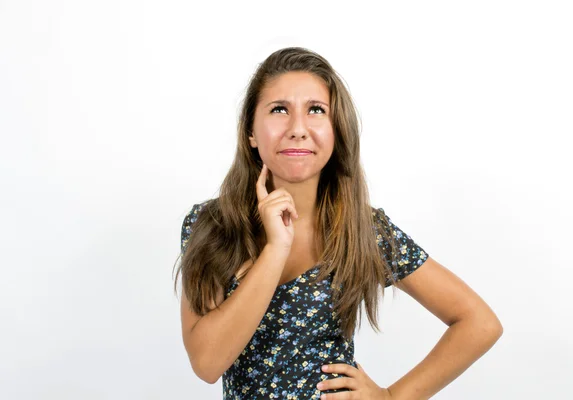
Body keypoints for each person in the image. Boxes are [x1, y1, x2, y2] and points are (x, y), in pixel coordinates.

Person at [173, 47, 503, 399]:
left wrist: (390, 397)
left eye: (316, 110)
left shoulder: (362, 230)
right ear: (251, 132)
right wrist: (276, 249)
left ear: (336, 131)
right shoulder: (211, 225)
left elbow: (479, 323)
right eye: (279, 109)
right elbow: (207, 364)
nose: (298, 129)